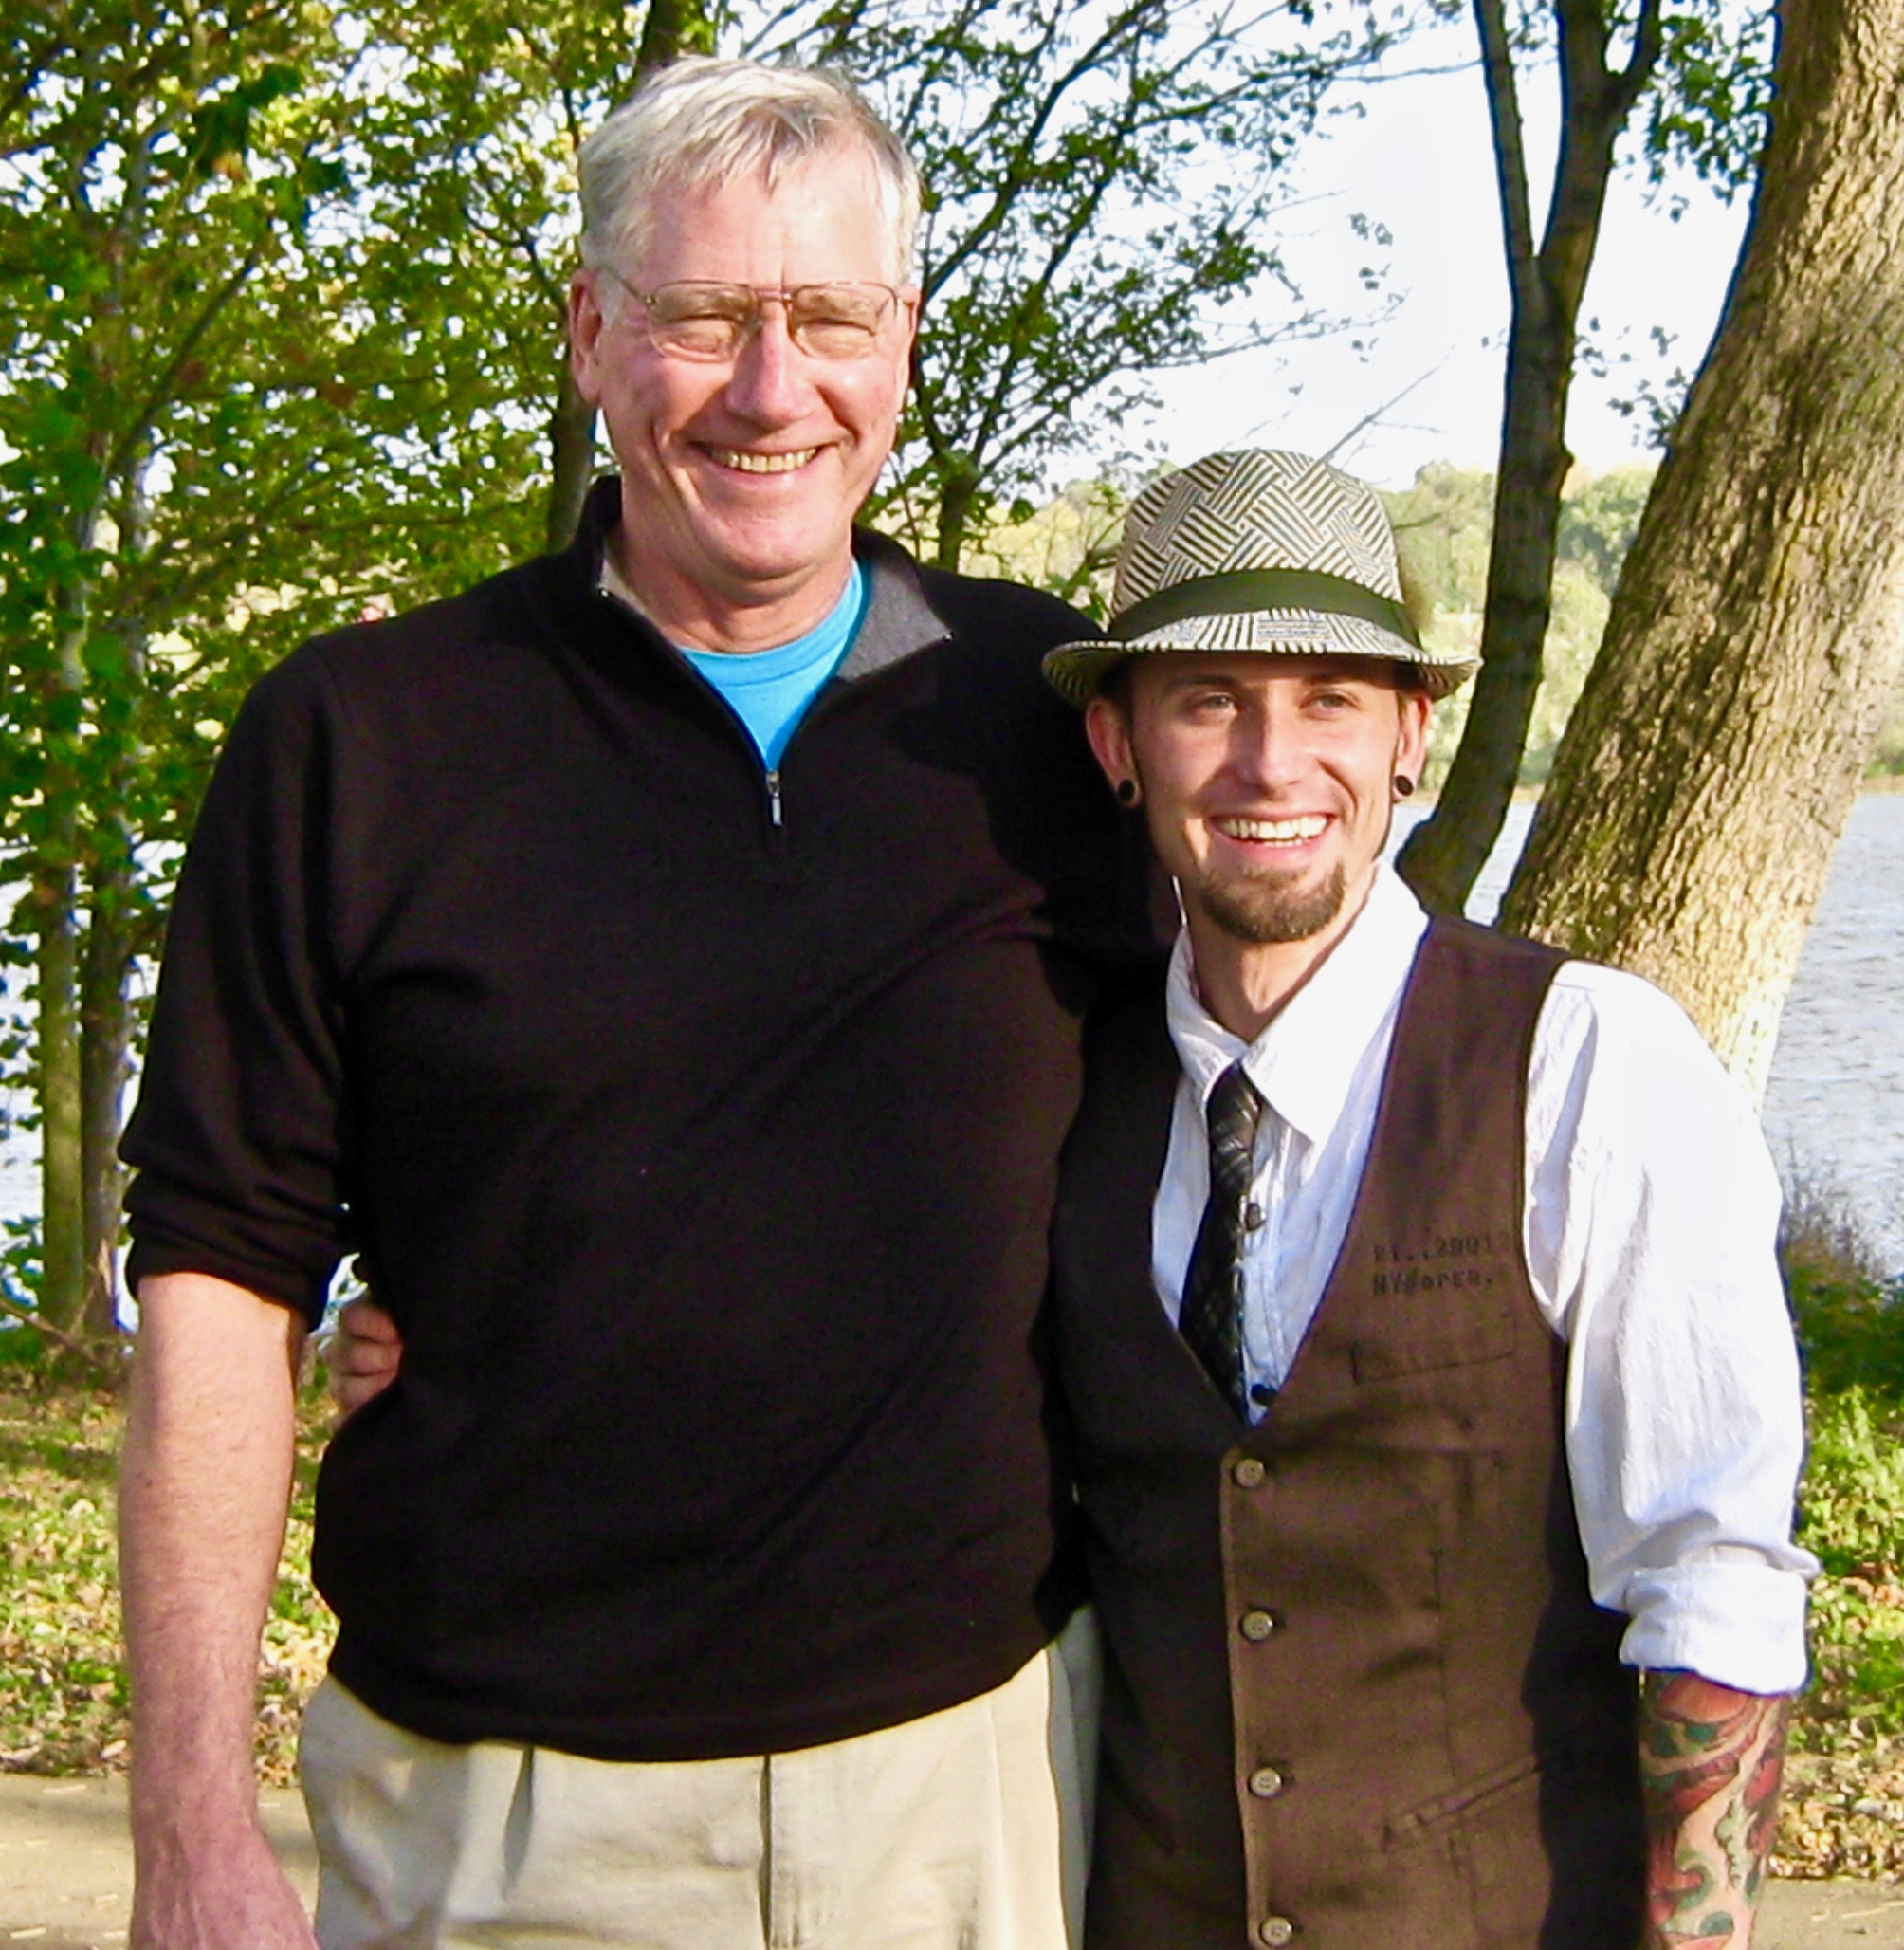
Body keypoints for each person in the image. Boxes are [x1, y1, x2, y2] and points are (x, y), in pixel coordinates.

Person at [117, 56, 1155, 1950]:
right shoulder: (362, 737)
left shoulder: (1043, 715)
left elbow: (1281, 1088)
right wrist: (188, 1819)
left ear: (901, 348)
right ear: (593, 332)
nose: (771, 391)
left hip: (969, 1796)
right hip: (498, 1823)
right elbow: (213, 1273)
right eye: (701, 318)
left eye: (828, 320)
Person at [1036, 448, 1813, 1949]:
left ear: (1409, 735)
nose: (1273, 764)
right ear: (1118, 744)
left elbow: (1710, 1578)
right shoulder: (1070, 1086)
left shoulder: (1588, 1064)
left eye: (1329, 699)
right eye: (1210, 702)